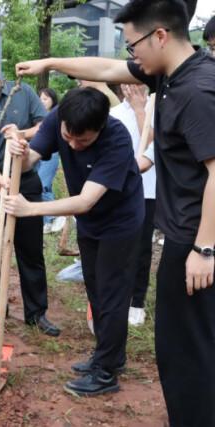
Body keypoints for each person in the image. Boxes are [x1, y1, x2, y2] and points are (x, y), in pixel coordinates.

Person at [15, 1, 215, 424]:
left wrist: (205, 247)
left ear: (160, 35)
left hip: (193, 239)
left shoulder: (197, 89)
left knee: (188, 349)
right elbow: (104, 69)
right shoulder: (169, 74)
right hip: (180, 232)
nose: (131, 56)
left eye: (133, 44)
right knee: (176, 346)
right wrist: (50, 61)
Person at [3, 87, 144, 397]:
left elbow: (85, 201)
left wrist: (31, 209)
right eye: (68, 137)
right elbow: (30, 162)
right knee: (95, 287)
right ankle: (111, 355)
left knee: (112, 293)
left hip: (120, 221)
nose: (73, 145)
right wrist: (21, 150)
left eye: (84, 141)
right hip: (91, 223)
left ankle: (106, 372)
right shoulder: (59, 119)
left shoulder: (117, 140)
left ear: (101, 128)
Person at [0, 47, 60, 337]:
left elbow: (45, 126)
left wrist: (21, 134)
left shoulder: (23, 93)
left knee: (30, 247)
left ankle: (37, 312)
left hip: (25, 179)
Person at [109, 84, 155, 327]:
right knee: (119, 247)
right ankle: (118, 297)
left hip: (147, 190)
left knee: (141, 249)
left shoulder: (156, 108)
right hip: (118, 189)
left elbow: (150, 145)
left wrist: (141, 109)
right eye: (127, 82)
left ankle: (137, 301)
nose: (132, 87)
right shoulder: (114, 114)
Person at [36, 88, 66, 234]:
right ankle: (48, 220)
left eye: (46, 99)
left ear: (53, 100)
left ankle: (52, 218)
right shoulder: (38, 116)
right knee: (44, 186)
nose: (42, 102)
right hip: (37, 154)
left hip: (52, 154)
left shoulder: (56, 116)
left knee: (43, 185)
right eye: (40, 99)